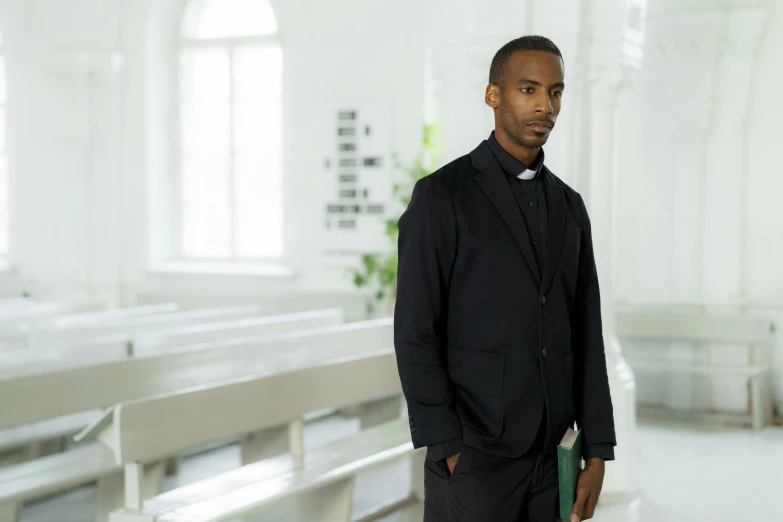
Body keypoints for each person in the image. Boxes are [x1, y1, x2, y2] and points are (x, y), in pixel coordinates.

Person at [393, 35, 616, 522]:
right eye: (529, 89)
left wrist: (597, 448)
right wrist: (448, 447)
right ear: (494, 95)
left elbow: (586, 332)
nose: (544, 106)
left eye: (555, 92)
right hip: (475, 456)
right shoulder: (440, 198)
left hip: (554, 453)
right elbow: (414, 334)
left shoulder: (570, 207)